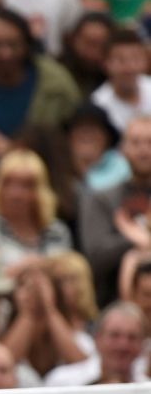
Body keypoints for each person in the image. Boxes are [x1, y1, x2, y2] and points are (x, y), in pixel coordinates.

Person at [0, 7, 81, 158]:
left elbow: (74, 139)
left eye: (13, 44)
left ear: (26, 44)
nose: (5, 54)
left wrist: (16, 150)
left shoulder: (58, 85)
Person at [79, 116, 151, 308]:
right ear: (122, 150)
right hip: (113, 305)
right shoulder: (101, 198)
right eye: (136, 142)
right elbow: (95, 258)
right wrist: (133, 239)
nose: (144, 150)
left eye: (150, 142)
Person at [45, 301, 148, 385]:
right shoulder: (63, 382)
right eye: (115, 335)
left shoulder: (147, 388)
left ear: (142, 345)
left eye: (132, 338)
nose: (123, 345)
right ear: (98, 339)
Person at [91, 28, 151, 133]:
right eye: (120, 60)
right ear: (105, 63)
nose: (129, 67)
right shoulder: (98, 105)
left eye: (135, 59)